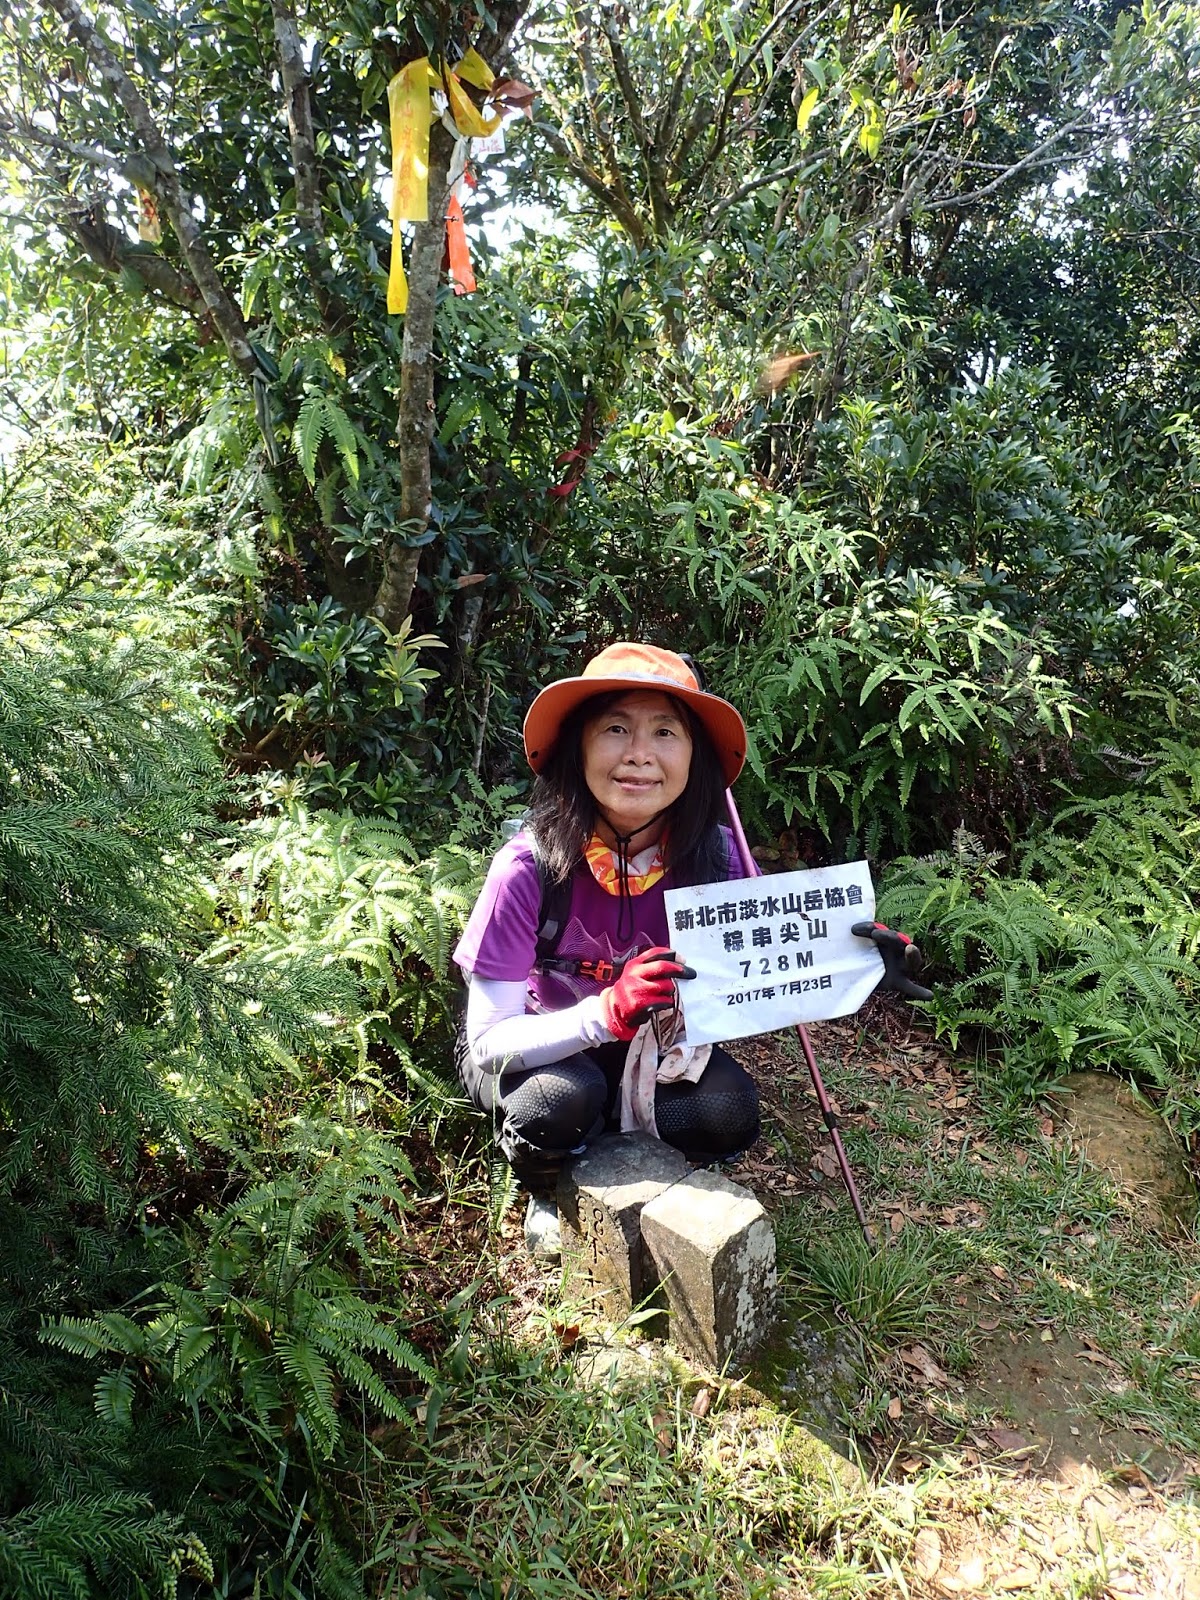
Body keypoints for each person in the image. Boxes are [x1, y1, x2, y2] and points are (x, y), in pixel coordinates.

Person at [453, 643, 760, 1203]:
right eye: (616, 729)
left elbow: (772, 967)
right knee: (557, 1103)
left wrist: (859, 959)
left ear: (695, 758)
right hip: (538, 1041)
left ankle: (642, 1150)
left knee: (726, 1111)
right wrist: (606, 1012)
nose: (639, 755)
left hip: (654, 1045)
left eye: (665, 732)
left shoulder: (720, 858)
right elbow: (490, 1043)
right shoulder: (528, 868)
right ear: (578, 748)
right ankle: (545, 1186)